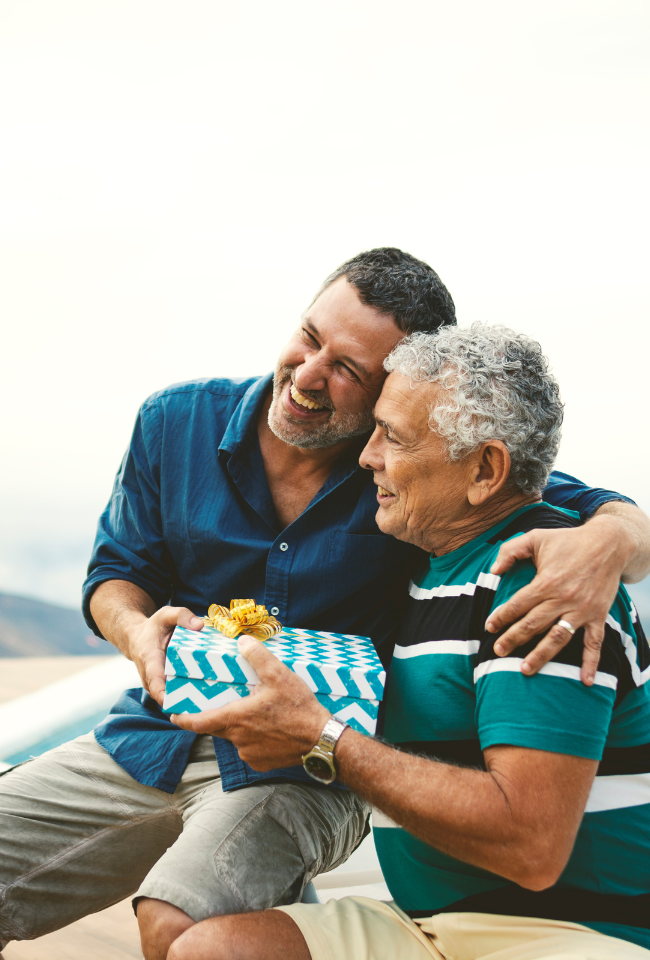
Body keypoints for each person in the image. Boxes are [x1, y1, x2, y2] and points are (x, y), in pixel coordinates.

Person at [0, 250, 647, 959]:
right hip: (159, 732)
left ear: (392, 391)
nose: (309, 376)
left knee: (181, 919)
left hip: (308, 768)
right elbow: (117, 571)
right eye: (310, 338)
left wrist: (610, 541)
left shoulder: (420, 475)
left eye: (350, 372)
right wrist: (135, 631)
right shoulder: (175, 421)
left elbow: (537, 490)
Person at [168, 324, 650, 960]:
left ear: (485, 469)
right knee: (207, 949)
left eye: (391, 436)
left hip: (569, 935)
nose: (366, 457)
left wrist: (325, 741)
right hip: (430, 925)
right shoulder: (427, 564)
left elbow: (530, 846)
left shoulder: (536, 588)